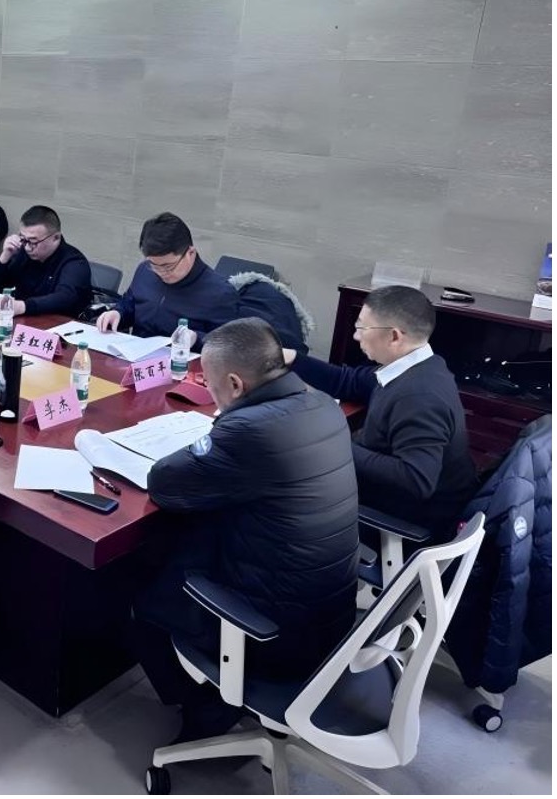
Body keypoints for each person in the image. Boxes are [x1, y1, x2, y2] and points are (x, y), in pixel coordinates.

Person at [133, 318, 359, 742]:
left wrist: (222, 428)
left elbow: (163, 482)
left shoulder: (250, 429)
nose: (210, 391)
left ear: (235, 384)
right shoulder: (322, 403)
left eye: (211, 383)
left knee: (143, 597)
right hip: (334, 614)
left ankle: (208, 713)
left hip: (277, 635)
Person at [286, 285, 478, 540]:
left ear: (394, 336)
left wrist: (333, 444)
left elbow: (416, 479)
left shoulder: (419, 397)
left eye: (362, 328)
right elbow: (347, 381)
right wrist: (292, 359)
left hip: (407, 521)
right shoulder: (415, 366)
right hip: (388, 497)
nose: (356, 336)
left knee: (283, 494)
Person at [97, 212, 237, 341]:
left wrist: (196, 338)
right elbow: (130, 303)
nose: (161, 272)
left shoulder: (220, 293)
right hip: (137, 353)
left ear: (191, 253)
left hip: (183, 357)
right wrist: (118, 313)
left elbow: (228, 345)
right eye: (154, 265)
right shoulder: (145, 270)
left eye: (169, 266)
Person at [0, 205, 91, 318]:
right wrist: (5, 256)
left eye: (33, 242)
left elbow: (65, 298)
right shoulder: (23, 252)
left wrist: (23, 306)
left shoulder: (75, 262)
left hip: (57, 323)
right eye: (23, 239)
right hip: (22, 319)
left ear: (56, 237)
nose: (27, 248)